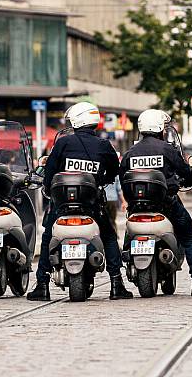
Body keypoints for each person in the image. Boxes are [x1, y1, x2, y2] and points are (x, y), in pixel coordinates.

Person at [27, 102, 133, 301]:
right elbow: (114, 171)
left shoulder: (63, 143)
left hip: (61, 206)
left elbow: (49, 171)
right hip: (92, 205)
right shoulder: (104, 145)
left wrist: (48, 189)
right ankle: (117, 284)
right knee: (109, 236)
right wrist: (100, 180)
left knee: (49, 236)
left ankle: (42, 285)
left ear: (76, 120)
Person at [119, 108, 192, 297]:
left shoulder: (131, 152)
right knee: (189, 238)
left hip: (137, 207)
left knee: (128, 236)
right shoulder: (167, 149)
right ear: (160, 128)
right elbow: (186, 172)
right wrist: (190, 181)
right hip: (166, 204)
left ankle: (125, 264)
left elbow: (123, 179)